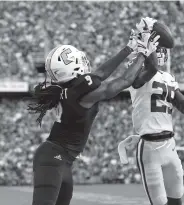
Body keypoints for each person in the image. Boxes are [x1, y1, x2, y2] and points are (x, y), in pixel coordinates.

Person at [28, 29, 160, 205]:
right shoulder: (79, 93)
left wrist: (129, 48)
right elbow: (121, 82)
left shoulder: (73, 88)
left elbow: (100, 74)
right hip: (54, 159)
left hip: (62, 160)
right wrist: (142, 53)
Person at [118, 17, 184, 205]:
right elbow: (152, 67)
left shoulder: (169, 78)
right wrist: (147, 38)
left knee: (176, 200)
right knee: (160, 203)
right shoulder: (137, 76)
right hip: (148, 147)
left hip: (169, 146)